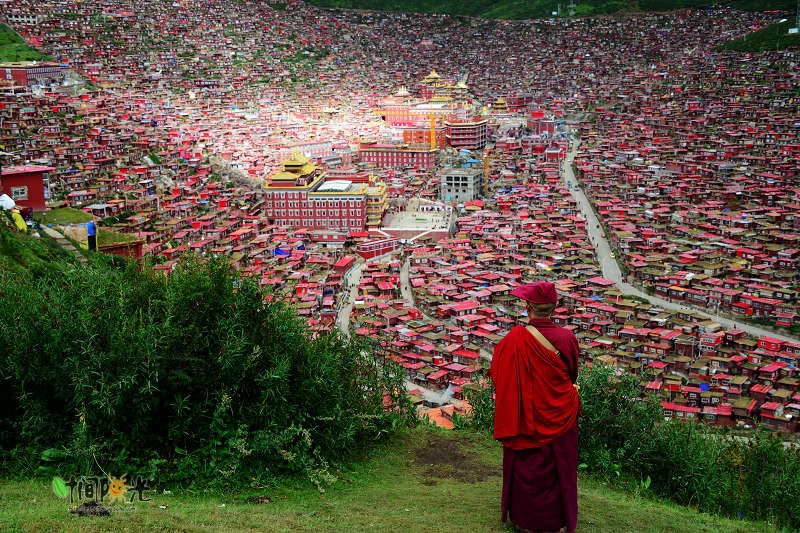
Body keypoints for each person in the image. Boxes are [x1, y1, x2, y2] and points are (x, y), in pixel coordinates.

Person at [489, 281, 580, 533]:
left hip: (525, 413)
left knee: (527, 465)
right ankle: (557, 522)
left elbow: (498, 374)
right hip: (560, 411)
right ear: (554, 308)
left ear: (528, 307)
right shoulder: (567, 338)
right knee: (558, 466)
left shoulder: (513, 340)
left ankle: (525, 521)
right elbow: (571, 374)